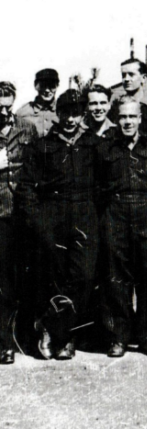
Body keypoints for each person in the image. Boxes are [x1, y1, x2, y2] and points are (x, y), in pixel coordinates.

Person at [17, 89, 100, 360]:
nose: (71, 119)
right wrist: (39, 223)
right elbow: (26, 189)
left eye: (76, 113)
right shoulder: (42, 146)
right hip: (53, 218)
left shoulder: (94, 144)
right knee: (54, 279)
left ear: (82, 114)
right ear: (58, 113)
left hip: (85, 216)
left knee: (84, 278)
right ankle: (60, 338)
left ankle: (56, 329)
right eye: (66, 113)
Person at [98, 95, 147, 358]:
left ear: (140, 118)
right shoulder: (106, 147)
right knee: (116, 277)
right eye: (122, 117)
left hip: (146, 211)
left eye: (132, 116)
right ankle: (118, 337)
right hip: (115, 213)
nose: (127, 121)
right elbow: (99, 184)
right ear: (116, 119)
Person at [0, 81, 37, 364]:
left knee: (24, 277)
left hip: (23, 212)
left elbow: (35, 168)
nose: (3, 111)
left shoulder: (27, 128)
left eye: (7, 105)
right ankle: (5, 343)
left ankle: (24, 337)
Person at [17, 68, 59, 137]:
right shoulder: (22, 113)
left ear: (57, 86)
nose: (47, 90)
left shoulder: (64, 112)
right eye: (43, 86)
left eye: (51, 86)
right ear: (35, 86)